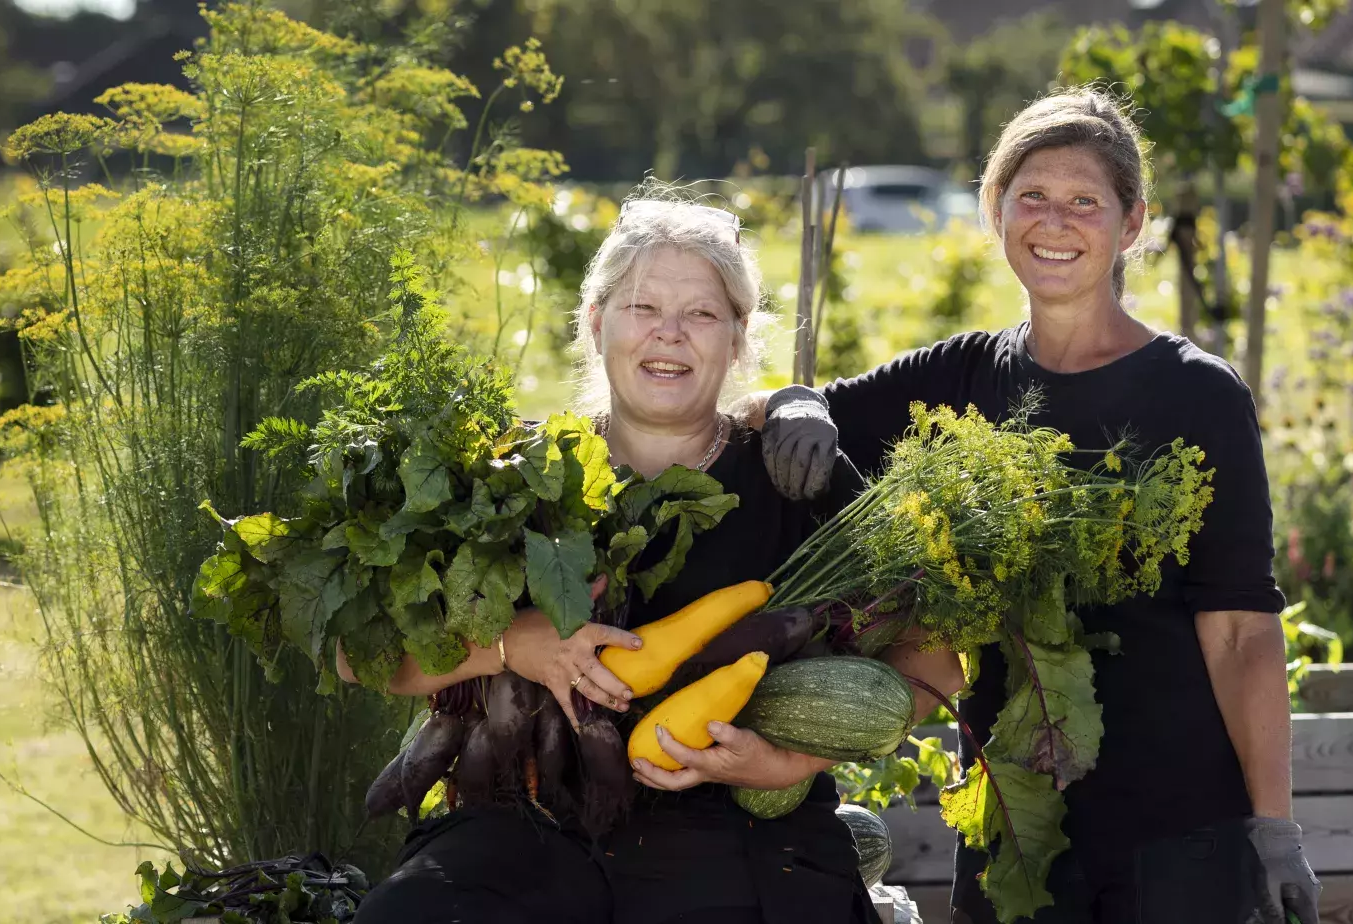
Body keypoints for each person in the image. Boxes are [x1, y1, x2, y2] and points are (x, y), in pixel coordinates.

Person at [756, 89, 1320, 924]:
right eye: (1033, 197)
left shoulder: (1196, 395)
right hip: (1014, 832)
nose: (1055, 223)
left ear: (1131, 225)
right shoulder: (962, 379)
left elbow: (1241, 629)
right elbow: (798, 416)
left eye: (1085, 202)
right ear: (996, 211)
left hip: (1179, 836)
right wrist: (793, 401)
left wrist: (1273, 827)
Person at [346, 194, 965, 924]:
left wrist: (787, 763)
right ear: (596, 321)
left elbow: (935, 663)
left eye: (701, 314)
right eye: (642, 307)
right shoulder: (516, 475)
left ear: (737, 339)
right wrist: (514, 645)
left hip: (742, 837)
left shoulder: (794, 480)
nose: (669, 335)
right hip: (523, 827)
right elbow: (361, 656)